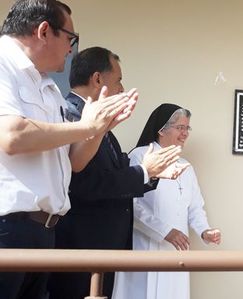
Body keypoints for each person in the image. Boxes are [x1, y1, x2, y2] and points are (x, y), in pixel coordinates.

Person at [0, 1, 137, 298]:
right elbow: (11, 135)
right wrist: (88, 127)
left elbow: (73, 163)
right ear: (44, 31)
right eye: (70, 38)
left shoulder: (47, 87)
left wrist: (100, 128)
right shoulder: (3, 64)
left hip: (44, 232)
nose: (71, 49)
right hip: (8, 228)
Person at [47, 47, 186, 299]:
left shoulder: (99, 120)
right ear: (98, 79)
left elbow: (116, 168)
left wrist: (152, 172)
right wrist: (145, 171)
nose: (122, 89)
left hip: (102, 246)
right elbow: (83, 182)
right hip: (81, 244)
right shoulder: (69, 115)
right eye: (119, 80)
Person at [112, 103, 222, 299]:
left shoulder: (186, 166)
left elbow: (195, 207)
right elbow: (130, 205)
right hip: (144, 246)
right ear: (162, 129)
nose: (185, 133)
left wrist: (205, 231)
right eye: (180, 127)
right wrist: (165, 231)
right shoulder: (140, 156)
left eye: (187, 128)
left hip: (176, 251)